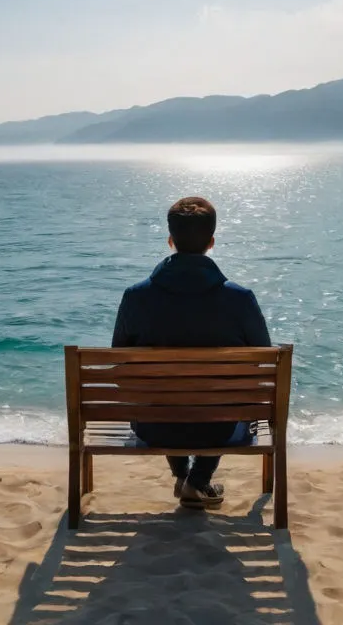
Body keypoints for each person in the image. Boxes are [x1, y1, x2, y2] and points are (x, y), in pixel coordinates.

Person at [111, 196, 271, 509]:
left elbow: (122, 365)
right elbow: (262, 360)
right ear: (211, 242)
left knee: (166, 396)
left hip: (153, 425)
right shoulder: (239, 299)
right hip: (222, 426)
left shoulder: (135, 297)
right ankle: (197, 480)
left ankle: (184, 475)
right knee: (222, 405)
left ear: (170, 241)